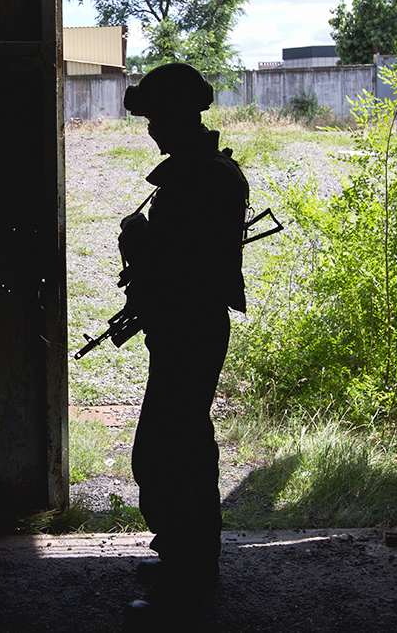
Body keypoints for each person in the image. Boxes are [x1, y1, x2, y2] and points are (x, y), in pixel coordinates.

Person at [117, 63, 249, 624]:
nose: (151, 129)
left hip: (189, 327)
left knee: (172, 454)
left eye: (156, 117)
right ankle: (185, 557)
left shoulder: (205, 178)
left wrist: (140, 245)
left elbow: (186, 267)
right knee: (177, 448)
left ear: (179, 115)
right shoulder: (199, 173)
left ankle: (187, 578)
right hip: (181, 327)